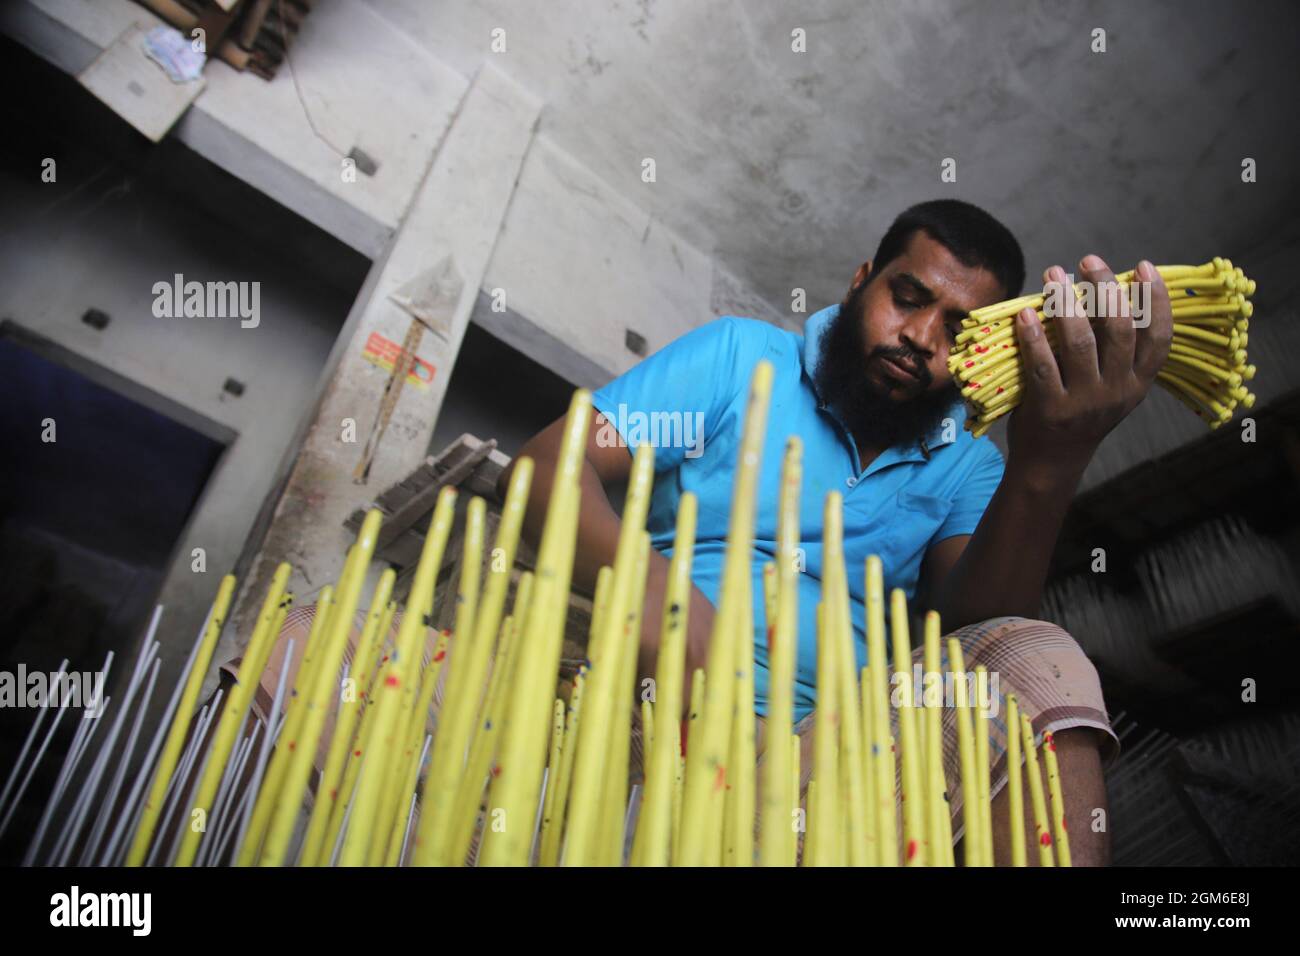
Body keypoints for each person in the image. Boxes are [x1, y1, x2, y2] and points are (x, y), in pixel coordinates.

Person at [501, 198, 1174, 865]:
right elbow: (547, 464)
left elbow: (980, 633)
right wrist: (648, 586)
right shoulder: (740, 358)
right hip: (652, 701)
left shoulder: (971, 461)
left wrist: (1048, 465)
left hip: (827, 760)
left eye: (957, 330)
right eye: (907, 297)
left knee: (1039, 654)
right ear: (860, 282)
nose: (920, 337)